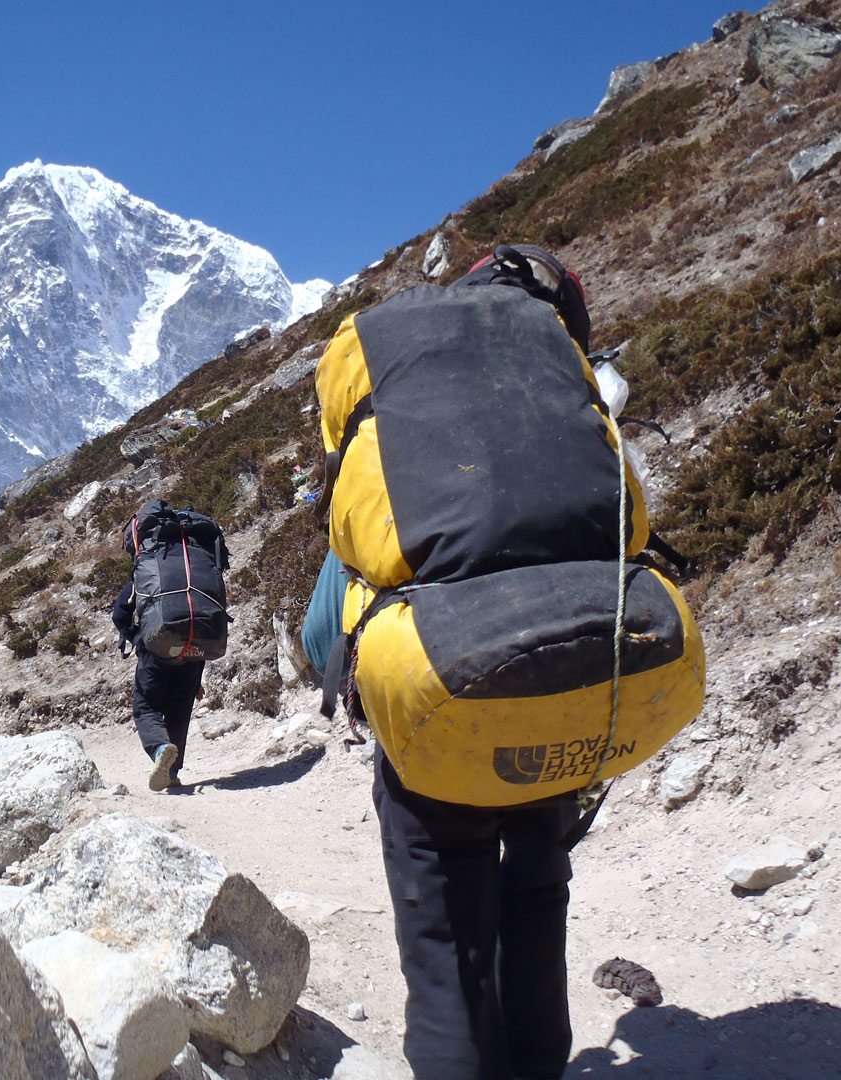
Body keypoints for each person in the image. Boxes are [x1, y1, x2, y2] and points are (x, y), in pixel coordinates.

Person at [305, 243, 595, 1079]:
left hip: (440, 691)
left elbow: (330, 623)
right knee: (538, 886)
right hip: (568, 677)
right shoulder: (572, 406)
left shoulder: (400, 431)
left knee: (445, 932)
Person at [111, 575, 204, 792]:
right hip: (193, 654)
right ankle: (171, 774)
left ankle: (160, 747)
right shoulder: (197, 575)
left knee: (146, 707)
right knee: (179, 711)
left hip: (156, 651)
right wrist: (198, 678)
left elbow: (119, 615)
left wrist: (136, 639)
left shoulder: (145, 574)